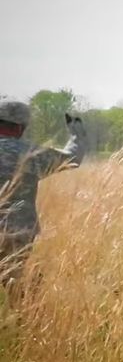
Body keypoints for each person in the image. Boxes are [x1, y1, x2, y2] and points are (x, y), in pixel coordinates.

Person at [0, 101, 87, 293]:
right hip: (17, 232)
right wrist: (76, 133)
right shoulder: (29, 154)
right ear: (21, 127)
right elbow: (71, 160)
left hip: (18, 231)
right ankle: (18, 320)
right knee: (13, 285)